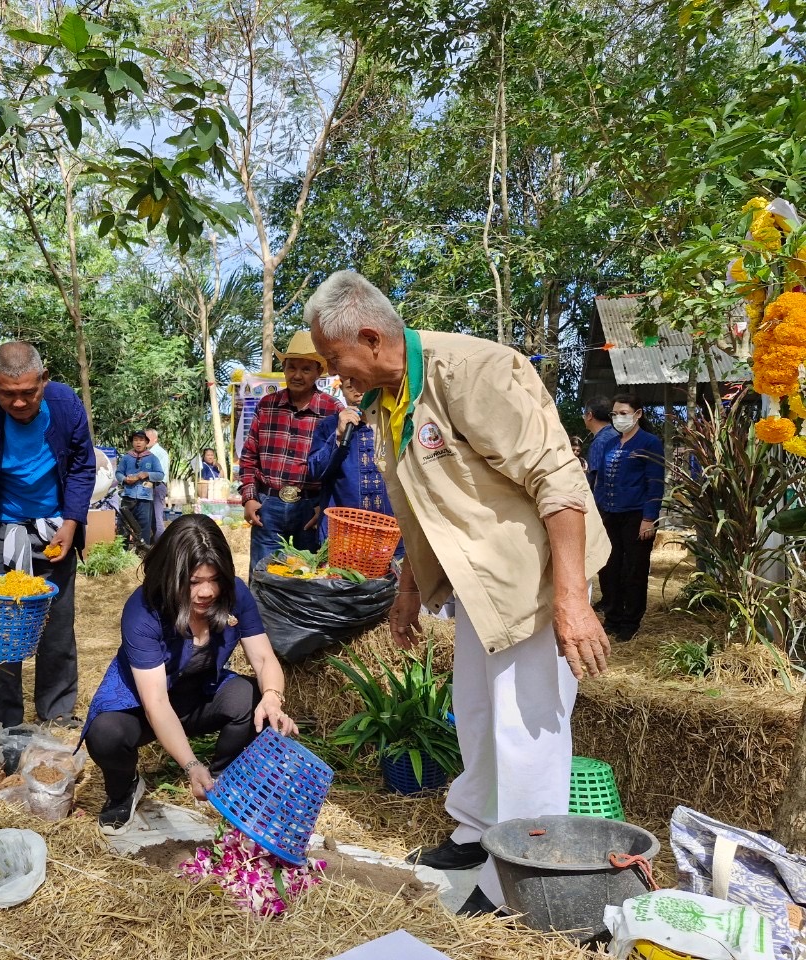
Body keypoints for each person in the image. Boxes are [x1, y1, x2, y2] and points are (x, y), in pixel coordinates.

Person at [307, 270, 611, 917]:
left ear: (370, 337)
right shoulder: (387, 402)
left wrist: (572, 599)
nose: (334, 375)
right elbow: (418, 507)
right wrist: (408, 588)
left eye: (335, 359)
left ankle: (520, 880)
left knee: (526, 729)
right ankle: (476, 831)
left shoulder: (473, 371)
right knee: (475, 711)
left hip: (535, 578)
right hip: (480, 582)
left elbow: (558, 479)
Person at [81, 514, 298, 835]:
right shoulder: (143, 610)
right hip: (142, 708)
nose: (207, 591)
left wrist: (272, 698)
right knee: (104, 734)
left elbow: (265, 658)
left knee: (253, 698)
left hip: (198, 696)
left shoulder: (235, 595)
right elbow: (156, 703)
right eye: (194, 582)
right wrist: (190, 764)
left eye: (215, 579)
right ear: (170, 575)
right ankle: (124, 789)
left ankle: (221, 778)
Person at [0, 342, 95, 728]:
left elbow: (81, 465)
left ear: (44, 380)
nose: (20, 402)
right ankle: (1, 721)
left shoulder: (66, 406)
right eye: (8, 394)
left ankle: (57, 712)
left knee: (57, 624)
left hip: (54, 529)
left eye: (29, 391)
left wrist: (72, 522)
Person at [239, 330, 343, 577]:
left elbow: (338, 466)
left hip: (310, 509)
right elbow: (249, 456)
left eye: (306, 369)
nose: (297, 375)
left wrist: (324, 507)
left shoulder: (333, 409)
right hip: (268, 506)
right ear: (284, 369)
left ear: (318, 372)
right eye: (292, 367)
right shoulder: (267, 405)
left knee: (306, 579)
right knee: (263, 576)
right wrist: (249, 497)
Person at [590, 393, 665, 643]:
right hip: (609, 513)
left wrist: (649, 518)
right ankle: (612, 618)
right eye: (615, 414)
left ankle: (630, 621)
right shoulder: (610, 443)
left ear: (638, 414)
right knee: (609, 567)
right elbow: (601, 482)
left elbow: (655, 483)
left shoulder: (650, 443)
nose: (618, 418)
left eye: (623, 413)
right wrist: (597, 512)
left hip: (636, 515)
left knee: (634, 570)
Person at [306, 376, 401, 553]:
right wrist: (339, 434)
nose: (358, 391)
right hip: (343, 536)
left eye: (363, 384)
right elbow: (315, 471)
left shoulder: (394, 421)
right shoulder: (329, 426)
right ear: (342, 390)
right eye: (350, 386)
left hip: (393, 534)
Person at [116, 430, 164, 548]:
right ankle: (122, 552)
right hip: (128, 496)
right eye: (135, 440)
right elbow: (118, 473)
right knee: (124, 525)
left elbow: (160, 475)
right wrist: (125, 479)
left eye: (141, 440)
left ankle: (142, 552)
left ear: (146, 442)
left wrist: (147, 474)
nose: (138, 443)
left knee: (144, 526)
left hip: (145, 498)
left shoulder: (152, 458)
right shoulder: (126, 458)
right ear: (132, 442)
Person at [582, 395, 615, 490]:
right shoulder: (619, 435)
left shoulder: (599, 442)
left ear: (589, 416)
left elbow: (596, 480)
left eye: (584, 415)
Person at [146, 427, 171, 539]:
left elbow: (159, 474)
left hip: (157, 485)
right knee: (151, 517)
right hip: (150, 486)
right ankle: (154, 543)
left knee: (157, 517)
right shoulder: (149, 452)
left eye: (147, 438)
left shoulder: (159, 453)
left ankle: (160, 542)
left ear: (155, 439)